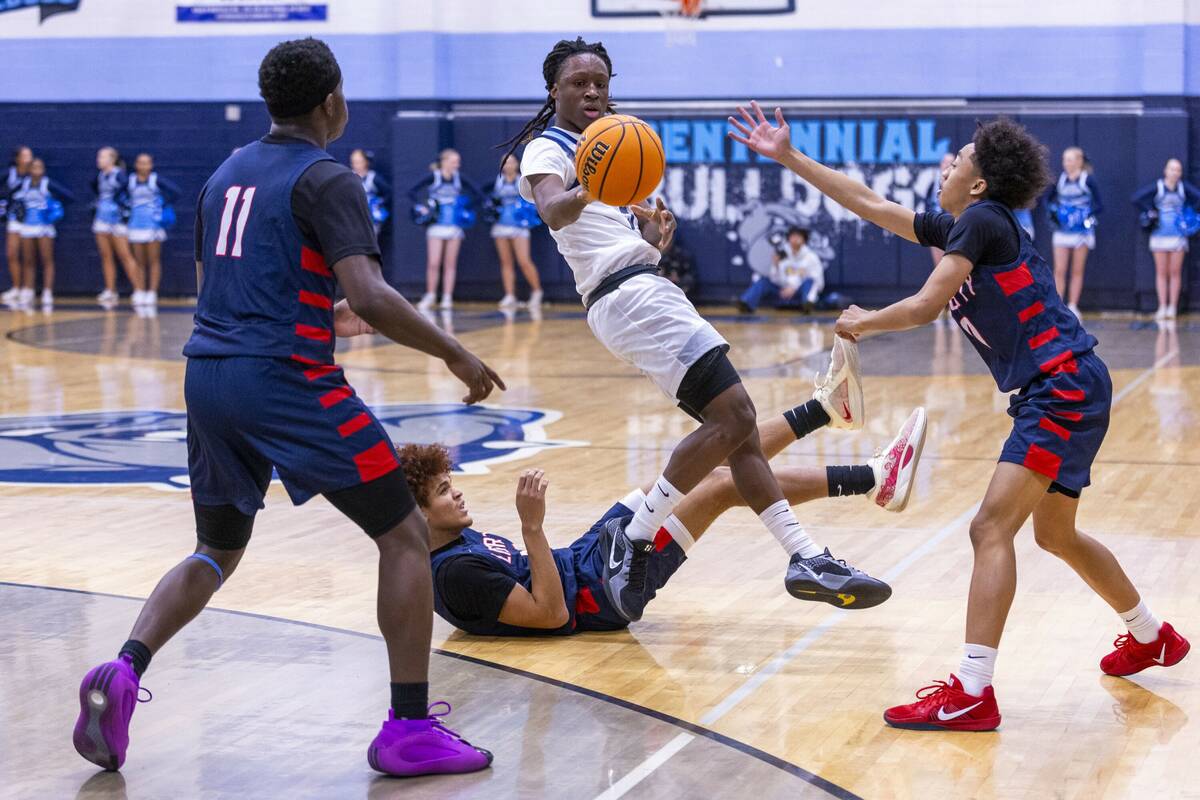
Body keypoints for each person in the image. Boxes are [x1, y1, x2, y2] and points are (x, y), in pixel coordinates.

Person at [71, 37, 502, 779]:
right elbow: (368, 293)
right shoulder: (328, 177)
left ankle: (125, 669)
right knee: (403, 532)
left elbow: (220, 284)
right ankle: (408, 729)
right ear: (331, 100)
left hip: (208, 375)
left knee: (217, 549)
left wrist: (304, 310)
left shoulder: (222, 175)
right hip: (285, 379)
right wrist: (452, 352)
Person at [729, 103, 1189, 731]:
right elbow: (868, 202)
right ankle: (1151, 636)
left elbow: (924, 306)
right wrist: (788, 156)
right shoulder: (968, 226)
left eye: (960, 158)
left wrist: (865, 321)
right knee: (1054, 534)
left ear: (977, 184)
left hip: (1060, 387)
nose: (948, 163)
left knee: (988, 529)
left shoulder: (980, 221)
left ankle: (972, 691)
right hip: (1065, 386)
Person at [501, 37, 890, 624]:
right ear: (553, 89)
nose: (592, 92)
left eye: (600, 82)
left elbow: (603, 234)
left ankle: (804, 556)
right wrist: (597, 186)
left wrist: (650, 243)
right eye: (579, 82)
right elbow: (554, 210)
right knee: (733, 418)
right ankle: (633, 538)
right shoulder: (546, 150)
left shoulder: (606, 147)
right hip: (628, 298)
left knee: (739, 434)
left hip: (639, 288)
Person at [412, 399, 927, 636]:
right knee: (723, 486)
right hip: (602, 591)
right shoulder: (455, 573)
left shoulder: (453, 541)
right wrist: (531, 527)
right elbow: (551, 615)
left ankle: (824, 410)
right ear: (417, 517)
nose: (456, 495)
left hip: (587, 556)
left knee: (705, 463)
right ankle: (873, 478)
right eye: (442, 492)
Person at [407, 149, 482, 311]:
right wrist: (423, 207)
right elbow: (411, 191)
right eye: (454, 161)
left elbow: (479, 194)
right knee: (434, 263)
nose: (457, 164)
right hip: (436, 225)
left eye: (458, 162)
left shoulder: (459, 178)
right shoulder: (434, 176)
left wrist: (465, 208)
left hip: (454, 226)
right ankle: (431, 294)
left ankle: (447, 296)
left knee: (450, 264)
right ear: (444, 161)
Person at [1131, 157, 1200, 320]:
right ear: (1165, 171)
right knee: (1161, 272)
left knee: (1175, 272)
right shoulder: (1159, 187)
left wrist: (1188, 212)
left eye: (1178, 170)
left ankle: (1172, 307)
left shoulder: (1183, 188)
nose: (1175, 172)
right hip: (1159, 235)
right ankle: (1162, 306)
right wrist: (1151, 211)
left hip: (1178, 236)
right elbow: (1136, 198)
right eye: (1172, 169)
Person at [1047, 146, 1102, 317]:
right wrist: (1055, 212)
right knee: (1059, 270)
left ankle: (1073, 306)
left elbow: (1099, 204)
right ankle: (1058, 305)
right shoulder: (1061, 180)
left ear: (1079, 161)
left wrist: (1085, 215)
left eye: (1069, 159)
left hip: (1081, 233)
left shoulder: (1088, 180)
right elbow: (1046, 200)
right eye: (1064, 159)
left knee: (1077, 270)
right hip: (1062, 232)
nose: (1066, 163)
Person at [15, 157, 73, 308]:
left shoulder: (48, 184)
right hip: (28, 225)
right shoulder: (24, 184)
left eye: (40, 167)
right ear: (29, 169)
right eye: (34, 167)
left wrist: (54, 208)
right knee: (28, 260)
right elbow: (9, 195)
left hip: (44, 227)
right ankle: (28, 289)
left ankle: (47, 291)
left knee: (46, 259)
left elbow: (68, 196)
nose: (37, 169)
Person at [125, 153, 181, 307]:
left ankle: (152, 292)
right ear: (136, 164)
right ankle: (140, 290)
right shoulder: (130, 181)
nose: (144, 166)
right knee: (139, 261)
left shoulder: (155, 180)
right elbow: (117, 196)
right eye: (141, 163)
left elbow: (176, 192)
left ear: (151, 165)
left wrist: (161, 204)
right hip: (136, 224)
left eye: (147, 163)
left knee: (153, 260)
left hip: (153, 225)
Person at [491, 153, 544, 310]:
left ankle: (537, 292)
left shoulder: (523, 180)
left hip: (519, 226)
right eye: (505, 163)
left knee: (524, 261)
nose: (508, 165)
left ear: (517, 164)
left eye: (511, 162)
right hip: (501, 225)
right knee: (506, 262)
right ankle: (509, 295)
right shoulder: (498, 181)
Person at [92, 147, 142, 308]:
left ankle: (139, 290)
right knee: (106, 256)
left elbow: (128, 195)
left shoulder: (120, 175)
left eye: (102, 156)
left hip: (118, 220)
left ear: (112, 159)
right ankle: (110, 290)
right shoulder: (100, 175)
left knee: (125, 255)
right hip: (101, 218)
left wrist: (123, 212)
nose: (99, 159)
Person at [737, 226, 823, 313]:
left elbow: (818, 282)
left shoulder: (811, 257)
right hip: (782, 291)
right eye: (792, 236)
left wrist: (793, 288)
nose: (795, 239)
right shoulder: (782, 255)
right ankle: (746, 303)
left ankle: (807, 306)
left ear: (804, 240)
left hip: (800, 293)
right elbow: (775, 279)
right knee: (764, 281)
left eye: (798, 236)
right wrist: (776, 266)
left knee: (810, 282)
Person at [1, 145, 33, 306]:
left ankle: (28, 288)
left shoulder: (35, 175)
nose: (29, 158)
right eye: (26, 155)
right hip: (14, 218)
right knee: (12, 254)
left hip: (31, 220)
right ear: (18, 158)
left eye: (30, 155)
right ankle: (16, 287)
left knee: (28, 256)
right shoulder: (9, 175)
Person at [350, 148, 390, 237]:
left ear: (366, 162)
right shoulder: (349, 176)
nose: (356, 165)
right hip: (353, 215)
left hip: (371, 215)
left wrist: (379, 202)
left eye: (358, 162)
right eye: (353, 162)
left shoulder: (373, 177)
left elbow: (387, 192)